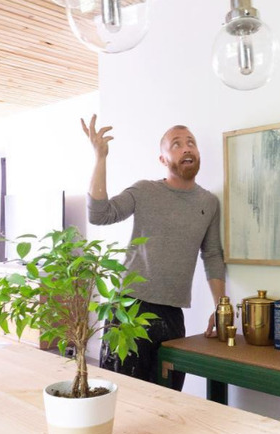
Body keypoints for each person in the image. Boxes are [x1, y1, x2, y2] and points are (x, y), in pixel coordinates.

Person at [82, 114, 226, 391]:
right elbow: (100, 215)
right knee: (123, 397)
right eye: (176, 144)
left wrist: (221, 307)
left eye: (191, 143)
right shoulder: (144, 190)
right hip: (129, 309)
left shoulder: (209, 202)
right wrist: (100, 158)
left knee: (167, 399)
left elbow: (212, 256)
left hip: (173, 316)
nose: (186, 148)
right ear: (162, 159)